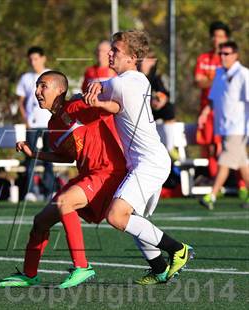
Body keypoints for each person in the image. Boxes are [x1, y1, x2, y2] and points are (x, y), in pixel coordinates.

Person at [0, 71, 126, 288]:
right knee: (40, 221)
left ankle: (82, 267)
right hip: (88, 175)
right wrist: (34, 154)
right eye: (37, 87)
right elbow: (67, 157)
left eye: (43, 86)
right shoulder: (53, 124)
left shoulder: (77, 107)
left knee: (65, 202)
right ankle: (29, 275)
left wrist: (94, 98)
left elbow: (115, 107)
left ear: (60, 90)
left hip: (108, 172)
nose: (37, 91)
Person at [85, 30, 194, 285]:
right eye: (110, 48)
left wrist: (93, 90)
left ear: (133, 57)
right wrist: (100, 99)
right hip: (148, 160)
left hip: (150, 163)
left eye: (116, 51)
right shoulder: (139, 80)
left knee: (117, 216)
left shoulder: (123, 82)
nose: (110, 54)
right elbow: (116, 105)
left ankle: (178, 249)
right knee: (131, 219)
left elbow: (107, 90)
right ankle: (158, 268)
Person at [198, 41, 249, 210]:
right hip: (224, 126)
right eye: (221, 54)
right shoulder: (219, 73)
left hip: (238, 127)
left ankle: (212, 195)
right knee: (242, 163)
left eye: (227, 54)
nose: (223, 57)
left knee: (225, 161)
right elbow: (213, 98)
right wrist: (205, 113)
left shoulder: (243, 74)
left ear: (235, 55)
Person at [16, 46, 54, 201]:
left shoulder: (52, 75)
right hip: (32, 125)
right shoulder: (26, 78)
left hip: (49, 124)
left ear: (43, 58)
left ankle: (49, 190)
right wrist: (26, 121)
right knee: (30, 157)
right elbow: (20, 102)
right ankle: (30, 191)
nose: (33, 62)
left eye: (36, 58)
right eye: (31, 59)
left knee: (49, 158)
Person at [194, 21, 230, 182]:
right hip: (207, 111)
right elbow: (198, 81)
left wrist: (210, 79)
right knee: (209, 146)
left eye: (221, 36)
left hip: (225, 110)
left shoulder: (229, 60)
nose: (217, 40)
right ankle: (214, 179)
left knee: (226, 146)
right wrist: (217, 79)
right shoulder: (203, 58)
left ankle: (233, 182)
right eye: (215, 36)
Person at [140, 51, 177, 159]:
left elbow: (163, 95)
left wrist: (158, 100)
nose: (144, 62)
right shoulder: (135, 76)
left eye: (148, 60)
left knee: (168, 108)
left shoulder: (157, 78)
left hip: (152, 111)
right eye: (143, 59)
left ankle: (170, 147)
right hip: (139, 112)